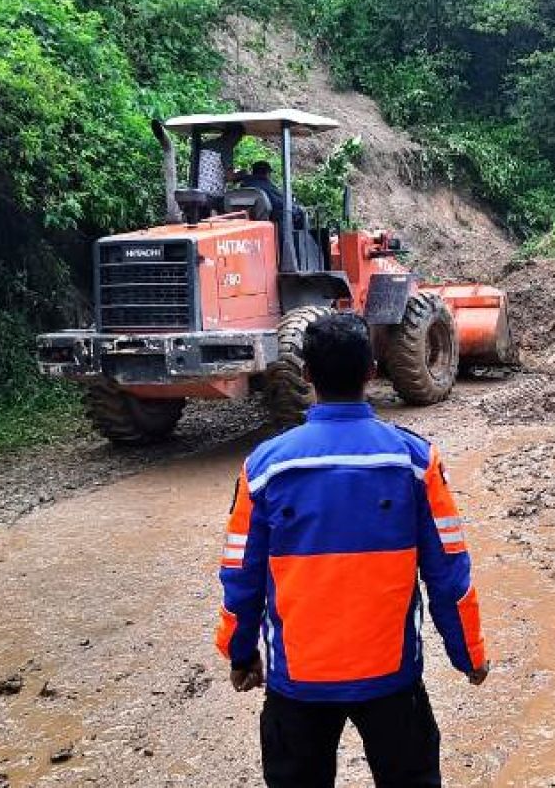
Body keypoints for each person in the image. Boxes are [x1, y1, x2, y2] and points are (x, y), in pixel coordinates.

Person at [215, 313, 489, 787]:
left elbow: (240, 575)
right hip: (391, 679)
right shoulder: (414, 461)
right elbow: (449, 572)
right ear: (372, 371)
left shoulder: (264, 468)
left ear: (305, 376)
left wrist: (241, 654)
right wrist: (469, 654)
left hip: (298, 683)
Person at [239, 161, 304, 226]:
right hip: (266, 218)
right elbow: (279, 203)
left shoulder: (245, 185)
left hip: (246, 218)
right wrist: (296, 208)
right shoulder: (265, 185)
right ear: (267, 173)